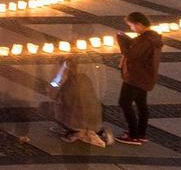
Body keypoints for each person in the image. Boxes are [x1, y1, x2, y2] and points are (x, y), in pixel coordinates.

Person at [113, 11, 162, 145]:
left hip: (136, 77)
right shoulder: (150, 37)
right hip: (144, 76)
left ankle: (133, 135)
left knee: (124, 103)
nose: (131, 29)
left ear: (139, 24)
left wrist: (121, 41)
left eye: (132, 26)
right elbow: (137, 49)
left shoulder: (146, 40)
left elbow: (131, 54)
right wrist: (128, 39)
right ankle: (141, 134)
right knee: (141, 104)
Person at [53, 56, 109, 145]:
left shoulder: (69, 83)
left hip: (79, 120)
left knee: (47, 106)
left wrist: (56, 83)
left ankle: (74, 130)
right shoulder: (84, 77)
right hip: (95, 118)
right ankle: (88, 129)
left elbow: (58, 97)